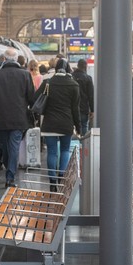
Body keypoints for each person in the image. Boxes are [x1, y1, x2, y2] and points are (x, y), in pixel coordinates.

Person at [0, 47, 36, 185]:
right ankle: (10, 176)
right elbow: (31, 98)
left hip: (0, 118)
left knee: (5, 145)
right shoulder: (25, 75)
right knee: (13, 146)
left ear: (4, 58)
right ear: (16, 59)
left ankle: (9, 169)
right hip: (19, 117)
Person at [34, 57, 86, 190]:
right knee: (64, 150)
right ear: (68, 69)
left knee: (51, 152)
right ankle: (62, 178)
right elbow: (76, 109)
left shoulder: (47, 82)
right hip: (66, 123)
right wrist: (79, 128)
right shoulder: (74, 85)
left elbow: (35, 98)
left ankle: (52, 181)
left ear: (56, 69)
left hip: (49, 123)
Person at [73, 58, 95, 136]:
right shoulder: (88, 78)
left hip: (72, 108)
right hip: (83, 108)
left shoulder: (71, 77)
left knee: (73, 128)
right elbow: (91, 95)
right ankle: (83, 145)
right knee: (84, 126)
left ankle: (74, 146)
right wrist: (92, 110)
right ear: (85, 66)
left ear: (77, 66)